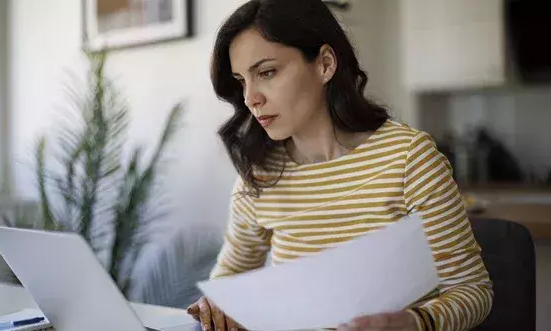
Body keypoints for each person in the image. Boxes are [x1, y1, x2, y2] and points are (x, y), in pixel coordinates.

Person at [187, 0, 493, 330]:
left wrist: (414, 323)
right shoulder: (259, 175)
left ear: (325, 64)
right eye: (241, 81)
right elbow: (228, 283)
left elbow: (472, 290)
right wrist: (215, 308)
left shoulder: (409, 158)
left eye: (266, 73)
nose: (250, 98)